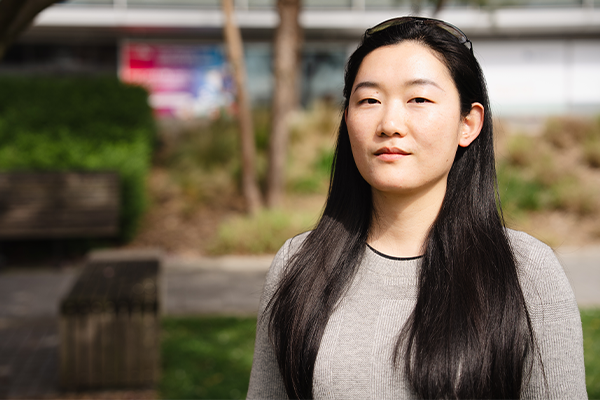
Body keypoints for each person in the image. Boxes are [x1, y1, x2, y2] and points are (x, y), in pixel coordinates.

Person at [247, 16, 587, 399]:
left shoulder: (525, 272)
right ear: (347, 118)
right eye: (369, 100)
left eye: (419, 99)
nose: (390, 123)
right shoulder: (299, 265)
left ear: (468, 123)